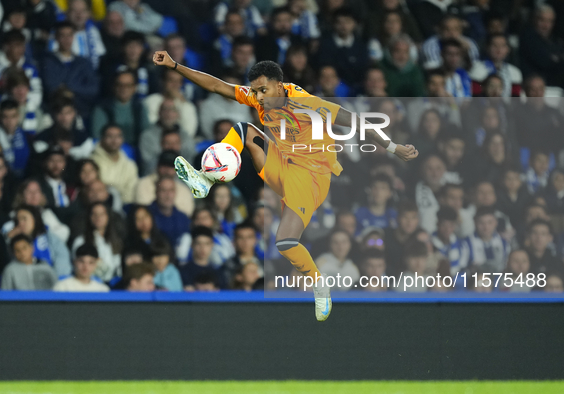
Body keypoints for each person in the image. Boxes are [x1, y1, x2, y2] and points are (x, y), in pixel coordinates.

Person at [152, 45, 418, 321]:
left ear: (279, 86)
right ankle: (205, 179)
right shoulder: (259, 97)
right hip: (284, 164)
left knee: (285, 242)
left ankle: (319, 284)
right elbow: (219, 86)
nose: (257, 97)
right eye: (254, 91)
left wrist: (392, 147)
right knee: (244, 130)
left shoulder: (306, 103)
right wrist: (175, 66)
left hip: (312, 176)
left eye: (262, 91)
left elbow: (354, 121)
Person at [41, 21, 99, 118]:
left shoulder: (83, 62)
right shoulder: (48, 61)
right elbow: (51, 87)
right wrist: (78, 90)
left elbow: (93, 88)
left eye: (69, 35)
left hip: (81, 111)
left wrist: (71, 90)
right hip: (55, 112)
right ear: (56, 38)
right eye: (62, 36)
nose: (66, 40)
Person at [2, 204, 72, 278]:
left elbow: (62, 262)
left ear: (34, 219)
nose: (20, 224)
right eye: (17, 220)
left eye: (24, 219)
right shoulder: (12, 241)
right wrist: (8, 240)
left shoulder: (50, 237)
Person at [91, 70, 149, 146]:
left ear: (134, 88)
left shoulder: (140, 107)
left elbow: (146, 133)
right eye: (120, 85)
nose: (124, 89)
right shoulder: (102, 108)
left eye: (128, 85)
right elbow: (97, 137)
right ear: (114, 87)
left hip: (136, 151)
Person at [71, 202, 123, 284]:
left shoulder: (116, 241)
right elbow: (77, 266)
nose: (98, 217)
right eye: (94, 214)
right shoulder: (80, 241)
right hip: (88, 284)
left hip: (112, 285)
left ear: (108, 217)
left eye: (102, 214)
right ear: (89, 217)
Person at [133, 150, 194, 216]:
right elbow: (143, 212)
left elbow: (187, 214)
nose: (167, 170)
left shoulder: (184, 190)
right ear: (157, 166)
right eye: (164, 165)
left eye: (171, 166)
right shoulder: (143, 184)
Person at [91, 124, 138, 204]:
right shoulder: (92, 162)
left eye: (118, 136)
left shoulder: (130, 165)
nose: (114, 140)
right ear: (102, 139)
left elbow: (131, 193)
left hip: (125, 206)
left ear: (122, 139)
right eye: (110, 136)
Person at [460, 207, 510, 274]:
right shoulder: (466, 243)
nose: (486, 227)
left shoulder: (504, 243)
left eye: (490, 222)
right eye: (481, 223)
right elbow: (461, 267)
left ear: (496, 223)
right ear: (475, 223)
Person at [179, 226, 225, 291]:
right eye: (198, 243)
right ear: (192, 244)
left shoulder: (219, 273)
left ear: (212, 245)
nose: (203, 248)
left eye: (207, 244)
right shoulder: (183, 271)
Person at [149, 175, 190, 247]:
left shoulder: (183, 218)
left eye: (171, 190)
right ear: (156, 192)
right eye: (163, 190)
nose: (168, 195)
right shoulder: (147, 215)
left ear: (175, 193)